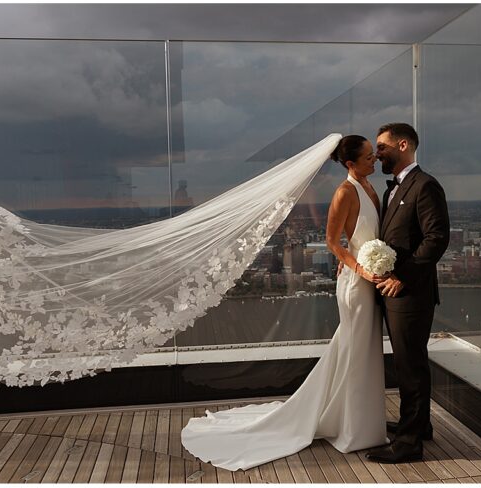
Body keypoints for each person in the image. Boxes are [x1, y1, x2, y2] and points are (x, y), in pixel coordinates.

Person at [180, 135, 389, 470]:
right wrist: (362, 269)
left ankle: (355, 421)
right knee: (354, 351)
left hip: (368, 282)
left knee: (360, 352)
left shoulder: (369, 188)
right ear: (350, 163)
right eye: (368, 156)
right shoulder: (345, 193)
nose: (374, 159)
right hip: (356, 285)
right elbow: (333, 243)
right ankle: (352, 429)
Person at [365, 122, 450, 464]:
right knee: (408, 363)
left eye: (382, 146)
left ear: (403, 146)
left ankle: (409, 443)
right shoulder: (394, 188)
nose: (377, 152)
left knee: (410, 367)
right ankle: (418, 424)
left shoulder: (425, 185)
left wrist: (403, 277)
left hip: (411, 295)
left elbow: (437, 238)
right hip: (394, 293)